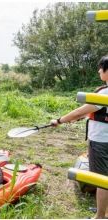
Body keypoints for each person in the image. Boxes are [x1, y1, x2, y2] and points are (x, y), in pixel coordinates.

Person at [50, 55, 108, 219]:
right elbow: (98, 113)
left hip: (101, 141)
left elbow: (79, 111)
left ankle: (100, 216)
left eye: (101, 67)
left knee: (102, 180)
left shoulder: (104, 93)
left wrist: (59, 120)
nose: (98, 71)